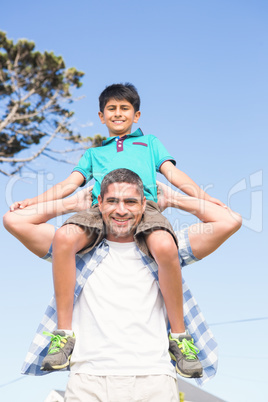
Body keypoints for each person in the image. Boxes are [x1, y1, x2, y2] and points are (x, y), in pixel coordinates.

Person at [8, 83, 227, 377]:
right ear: (101, 116)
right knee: (63, 236)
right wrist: (32, 201)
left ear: (137, 115)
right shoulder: (94, 153)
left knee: (164, 246)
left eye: (125, 108)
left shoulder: (149, 143)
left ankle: (179, 338)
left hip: (144, 207)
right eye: (111, 108)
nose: (118, 113)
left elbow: (173, 174)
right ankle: (63, 335)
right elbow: (68, 185)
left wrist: (203, 197)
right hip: (101, 209)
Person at [3, 169, 242, 399]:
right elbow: (14, 220)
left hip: (154, 379)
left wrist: (174, 199)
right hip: (88, 380)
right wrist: (71, 203)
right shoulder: (78, 253)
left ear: (144, 206)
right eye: (112, 201)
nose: (121, 210)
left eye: (130, 202)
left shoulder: (166, 248)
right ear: (99, 203)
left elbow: (229, 220)